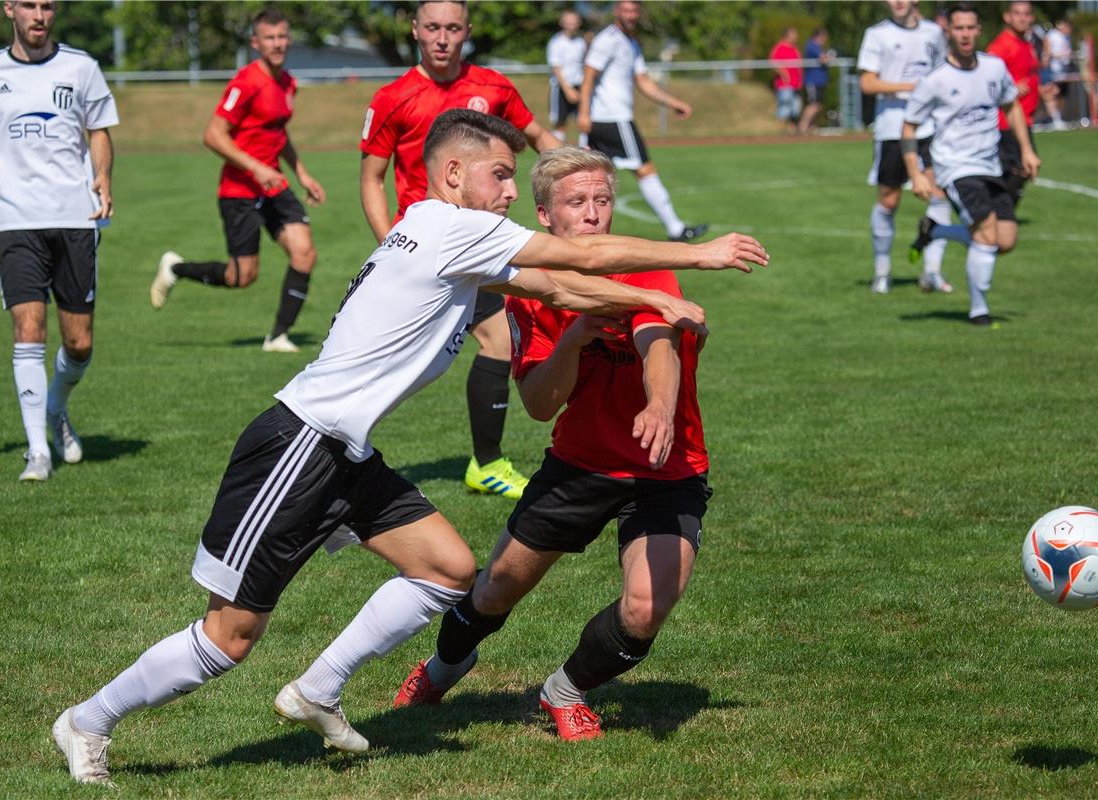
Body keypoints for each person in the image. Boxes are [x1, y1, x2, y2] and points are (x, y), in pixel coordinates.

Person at [51, 108, 769, 786]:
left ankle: (319, 688)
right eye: (501, 176)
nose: (513, 192)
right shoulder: (449, 226)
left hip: (344, 451)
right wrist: (697, 256)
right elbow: (576, 255)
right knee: (229, 638)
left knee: (449, 570)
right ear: (452, 175)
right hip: (298, 445)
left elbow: (560, 286)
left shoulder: (438, 231)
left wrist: (649, 300)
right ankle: (87, 721)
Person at [392, 146, 709, 741]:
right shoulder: (531, 291)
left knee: (644, 609)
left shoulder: (646, 268)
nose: (593, 214)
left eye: (602, 200)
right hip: (579, 465)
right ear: (545, 215)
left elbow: (657, 347)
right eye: (576, 202)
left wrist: (661, 407)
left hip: (666, 466)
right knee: (491, 592)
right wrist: (577, 338)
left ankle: (563, 691)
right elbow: (540, 405)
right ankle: (442, 668)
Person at [360, 0, 561, 500]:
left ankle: (487, 464)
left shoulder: (493, 87)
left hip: (478, 245)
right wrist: (391, 243)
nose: (442, 37)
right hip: (424, 247)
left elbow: (537, 136)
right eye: (432, 27)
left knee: (499, 340)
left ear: (467, 31)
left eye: (452, 27)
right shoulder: (393, 97)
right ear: (415, 31)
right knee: (388, 356)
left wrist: (573, 172)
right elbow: (371, 178)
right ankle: (337, 443)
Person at [0, 0, 116, 482]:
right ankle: (37, 451)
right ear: (10, 10)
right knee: (28, 331)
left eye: (47, 6)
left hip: (76, 216)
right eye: (29, 5)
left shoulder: (81, 67)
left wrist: (103, 175)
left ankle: (55, 408)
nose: (38, 15)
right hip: (16, 219)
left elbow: (99, 132)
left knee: (79, 344)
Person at [148, 9, 325, 354]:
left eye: (282, 36)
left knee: (304, 253)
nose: (277, 44)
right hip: (239, 191)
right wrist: (256, 168)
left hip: (273, 185)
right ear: (255, 42)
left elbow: (277, 130)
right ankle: (176, 268)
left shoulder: (288, 82)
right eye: (269, 38)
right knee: (241, 277)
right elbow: (213, 135)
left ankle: (278, 337)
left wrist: (301, 171)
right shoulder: (246, 82)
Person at [903, 3, 1040, 326]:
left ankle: (936, 230)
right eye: (958, 28)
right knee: (987, 234)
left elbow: (1012, 106)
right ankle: (979, 310)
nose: (965, 34)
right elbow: (908, 127)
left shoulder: (994, 68)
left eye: (970, 28)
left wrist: (1026, 150)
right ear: (948, 32)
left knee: (1005, 240)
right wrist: (915, 174)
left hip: (990, 164)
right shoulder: (935, 79)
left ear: (979, 31)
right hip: (956, 168)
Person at [578, 1, 708, 243]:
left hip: (609, 119)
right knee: (645, 170)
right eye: (626, 10)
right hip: (614, 119)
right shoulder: (608, 40)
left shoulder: (632, 43)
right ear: (617, 11)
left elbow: (644, 82)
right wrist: (583, 114)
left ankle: (580, 234)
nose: (631, 15)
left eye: (635, 10)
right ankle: (676, 229)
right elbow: (588, 75)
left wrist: (672, 102)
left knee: (592, 175)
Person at [857, 0, 952, 294]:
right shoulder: (877, 34)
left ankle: (932, 271)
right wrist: (914, 87)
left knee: (938, 195)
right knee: (889, 200)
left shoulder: (934, 33)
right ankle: (882, 272)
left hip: (929, 128)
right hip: (891, 128)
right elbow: (868, 84)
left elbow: (944, 73)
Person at [986, 1, 1040, 207]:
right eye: (1017, 14)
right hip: (1006, 121)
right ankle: (999, 212)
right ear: (1007, 17)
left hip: (1024, 118)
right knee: (1021, 168)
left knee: (1021, 169)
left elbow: (1025, 77)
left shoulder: (1026, 43)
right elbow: (985, 78)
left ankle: (1000, 212)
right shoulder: (1002, 45)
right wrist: (1011, 90)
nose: (1022, 18)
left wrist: (1041, 90)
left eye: (1026, 14)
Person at [546, 8, 587, 145]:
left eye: (574, 22)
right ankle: (556, 155)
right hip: (561, 86)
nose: (572, 25)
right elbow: (556, 69)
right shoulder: (556, 43)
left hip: (579, 85)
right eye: (568, 22)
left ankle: (585, 153)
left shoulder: (581, 42)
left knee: (583, 120)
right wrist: (568, 89)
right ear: (562, 23)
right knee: (560, 123)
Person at [770, 26, 803, 135]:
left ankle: (793, 134)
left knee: (795, 109)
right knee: (784, 108)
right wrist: (784, 74)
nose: (796, 37)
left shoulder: (795, 48)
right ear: (787, 35)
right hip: (784, 85)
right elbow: (773, 63)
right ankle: (780, 133)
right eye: (794, 34)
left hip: (796, 84)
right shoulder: (779, 47)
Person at [799, 28, 831, 135]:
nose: (824, 40)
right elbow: (824, 58)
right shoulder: (812, 45)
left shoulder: (817, 47)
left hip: (819, 81)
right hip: (812, 81)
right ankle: (803, 126)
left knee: (817, 105)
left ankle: (811, 127)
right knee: (813, 104)